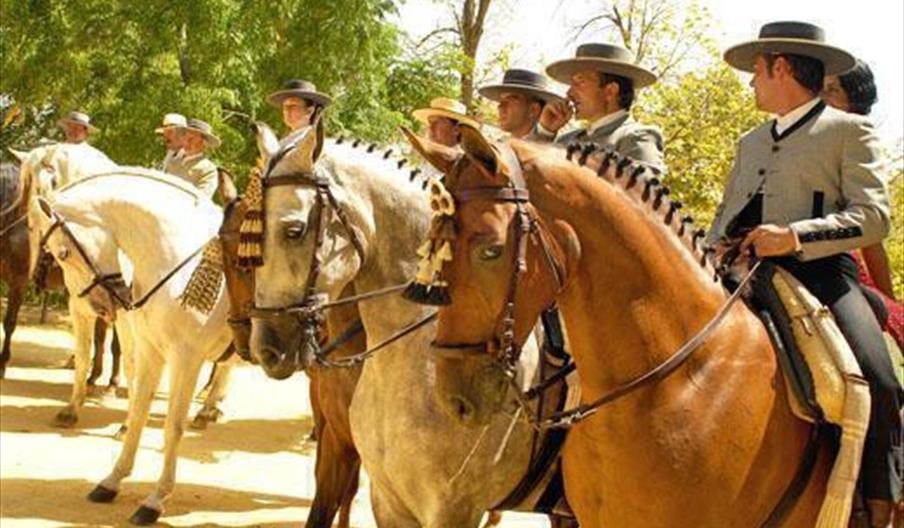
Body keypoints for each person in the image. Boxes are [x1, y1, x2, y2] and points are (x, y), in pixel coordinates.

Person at [707, 21, 901, 527]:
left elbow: (874, 218)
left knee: (878, 377)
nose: (751, 83)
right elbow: (722, 217)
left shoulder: (849, 131)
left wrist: (793, 236)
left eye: (757, 71)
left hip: (822, 278)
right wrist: (713, 247)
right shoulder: (750, 141)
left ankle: (879, 502)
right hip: (741, 275)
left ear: (782, 67)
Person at [821, 60, 903, 352]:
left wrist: (887, 302)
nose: (821, 98)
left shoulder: (857, 143)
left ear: (853, 100)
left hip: (841, 268)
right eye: (818, 89)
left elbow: (872, 239)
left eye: (831, 90)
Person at [534, 43, 665, 172]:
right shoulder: (565, 140)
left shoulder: (638, 138)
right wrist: (545, 132)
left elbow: (639, 191)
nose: (569, 93)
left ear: (610, 90)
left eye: (580, 82)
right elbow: (527, 179)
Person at [478, 69, 565, 139]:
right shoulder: (499, 148)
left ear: (534, 109)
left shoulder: (555, 152)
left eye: (510, 99)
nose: (500, 106)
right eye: (501, 100)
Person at [266, 79, 332, 146]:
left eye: (293, 106)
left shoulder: (312, 142)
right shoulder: (284, 141)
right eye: (285, 106)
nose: (287, 110)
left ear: (309, 111)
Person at [168, 119, 219, 199]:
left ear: (203, 143)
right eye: (185, 137)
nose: (187, 142)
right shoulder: (173, 160)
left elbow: (201, 199)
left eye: (191, 139)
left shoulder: (209, 170)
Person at [412, 97, 480, 148]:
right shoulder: (427, 160)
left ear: (456, 129)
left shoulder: (470, 163)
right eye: (430, 122)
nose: (430, 127)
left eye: (437, 122)